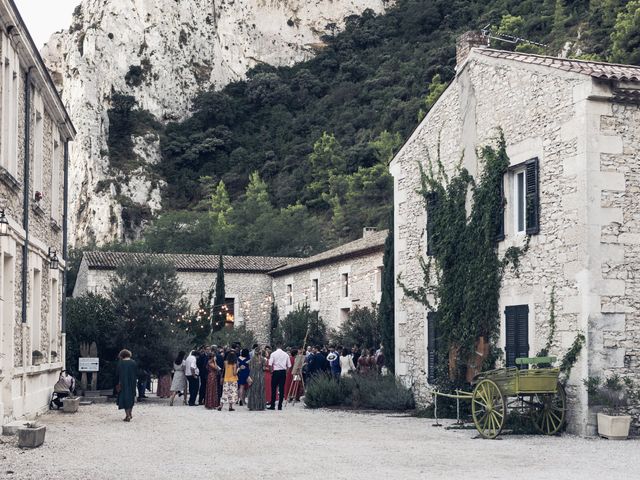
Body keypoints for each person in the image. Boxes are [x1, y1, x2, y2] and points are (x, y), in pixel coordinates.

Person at [268, 342, 291, 410]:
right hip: (283, 372)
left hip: (275, 372)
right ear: (282, 346)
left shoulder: (273, 354)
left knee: (273, 389)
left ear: (276, 346)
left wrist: (271, 371)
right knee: (281, 389)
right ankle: (280, 406)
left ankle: (272, 405)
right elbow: (289, 365)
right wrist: (286, 372)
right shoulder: (286, 354)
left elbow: (270, 364)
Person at [115, 349, 137, 422]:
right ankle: (130, 414)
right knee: (131, 398)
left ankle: (127, 415)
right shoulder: (133, 363)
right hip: (132, 383)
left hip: (123, 383)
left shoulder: (120, 363)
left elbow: (117, 374)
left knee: (124, 398)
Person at [248, 347, 266, 411]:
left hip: (253, 375)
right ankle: (260, 406)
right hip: (260, 375)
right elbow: (264, 368)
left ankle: (252, 406)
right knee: (260, 390)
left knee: (253, 390)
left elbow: (250, 368)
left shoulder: (252, 359)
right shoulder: (263, 359)